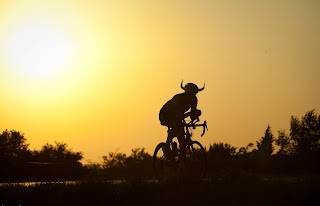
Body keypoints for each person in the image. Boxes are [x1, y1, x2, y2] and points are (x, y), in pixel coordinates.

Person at [159, 80, 204, 160]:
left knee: (182, 136)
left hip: (177, 116)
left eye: (194, 94)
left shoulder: (194, 99)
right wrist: (190, 114)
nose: (191, 97)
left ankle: (179, 156)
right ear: (185, 93)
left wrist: (195, 115)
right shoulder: (178, 98)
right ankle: (166, 146)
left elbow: (192, 113)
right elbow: (177, 113)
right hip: (166, 115)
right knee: (177, 126)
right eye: (189, 95)